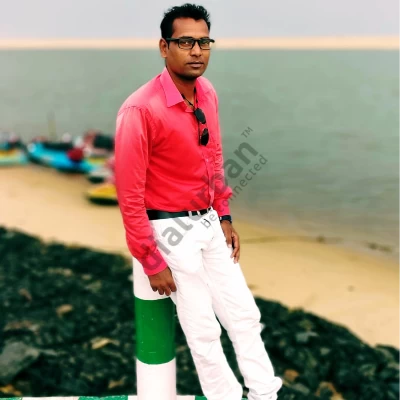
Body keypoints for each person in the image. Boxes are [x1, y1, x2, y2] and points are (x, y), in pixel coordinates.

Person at [114, 3, 282, 400]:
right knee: (203, 330)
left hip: (208, 221)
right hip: (169, 230)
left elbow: (214, 157)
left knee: (244, 314)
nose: (196, 51)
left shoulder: (207, 92)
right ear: (164, 47)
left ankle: (264, 393)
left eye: (204, 42)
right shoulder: (140, 109)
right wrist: (151, 260)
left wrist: (224, 214)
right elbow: (129, 195)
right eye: (185, 42)